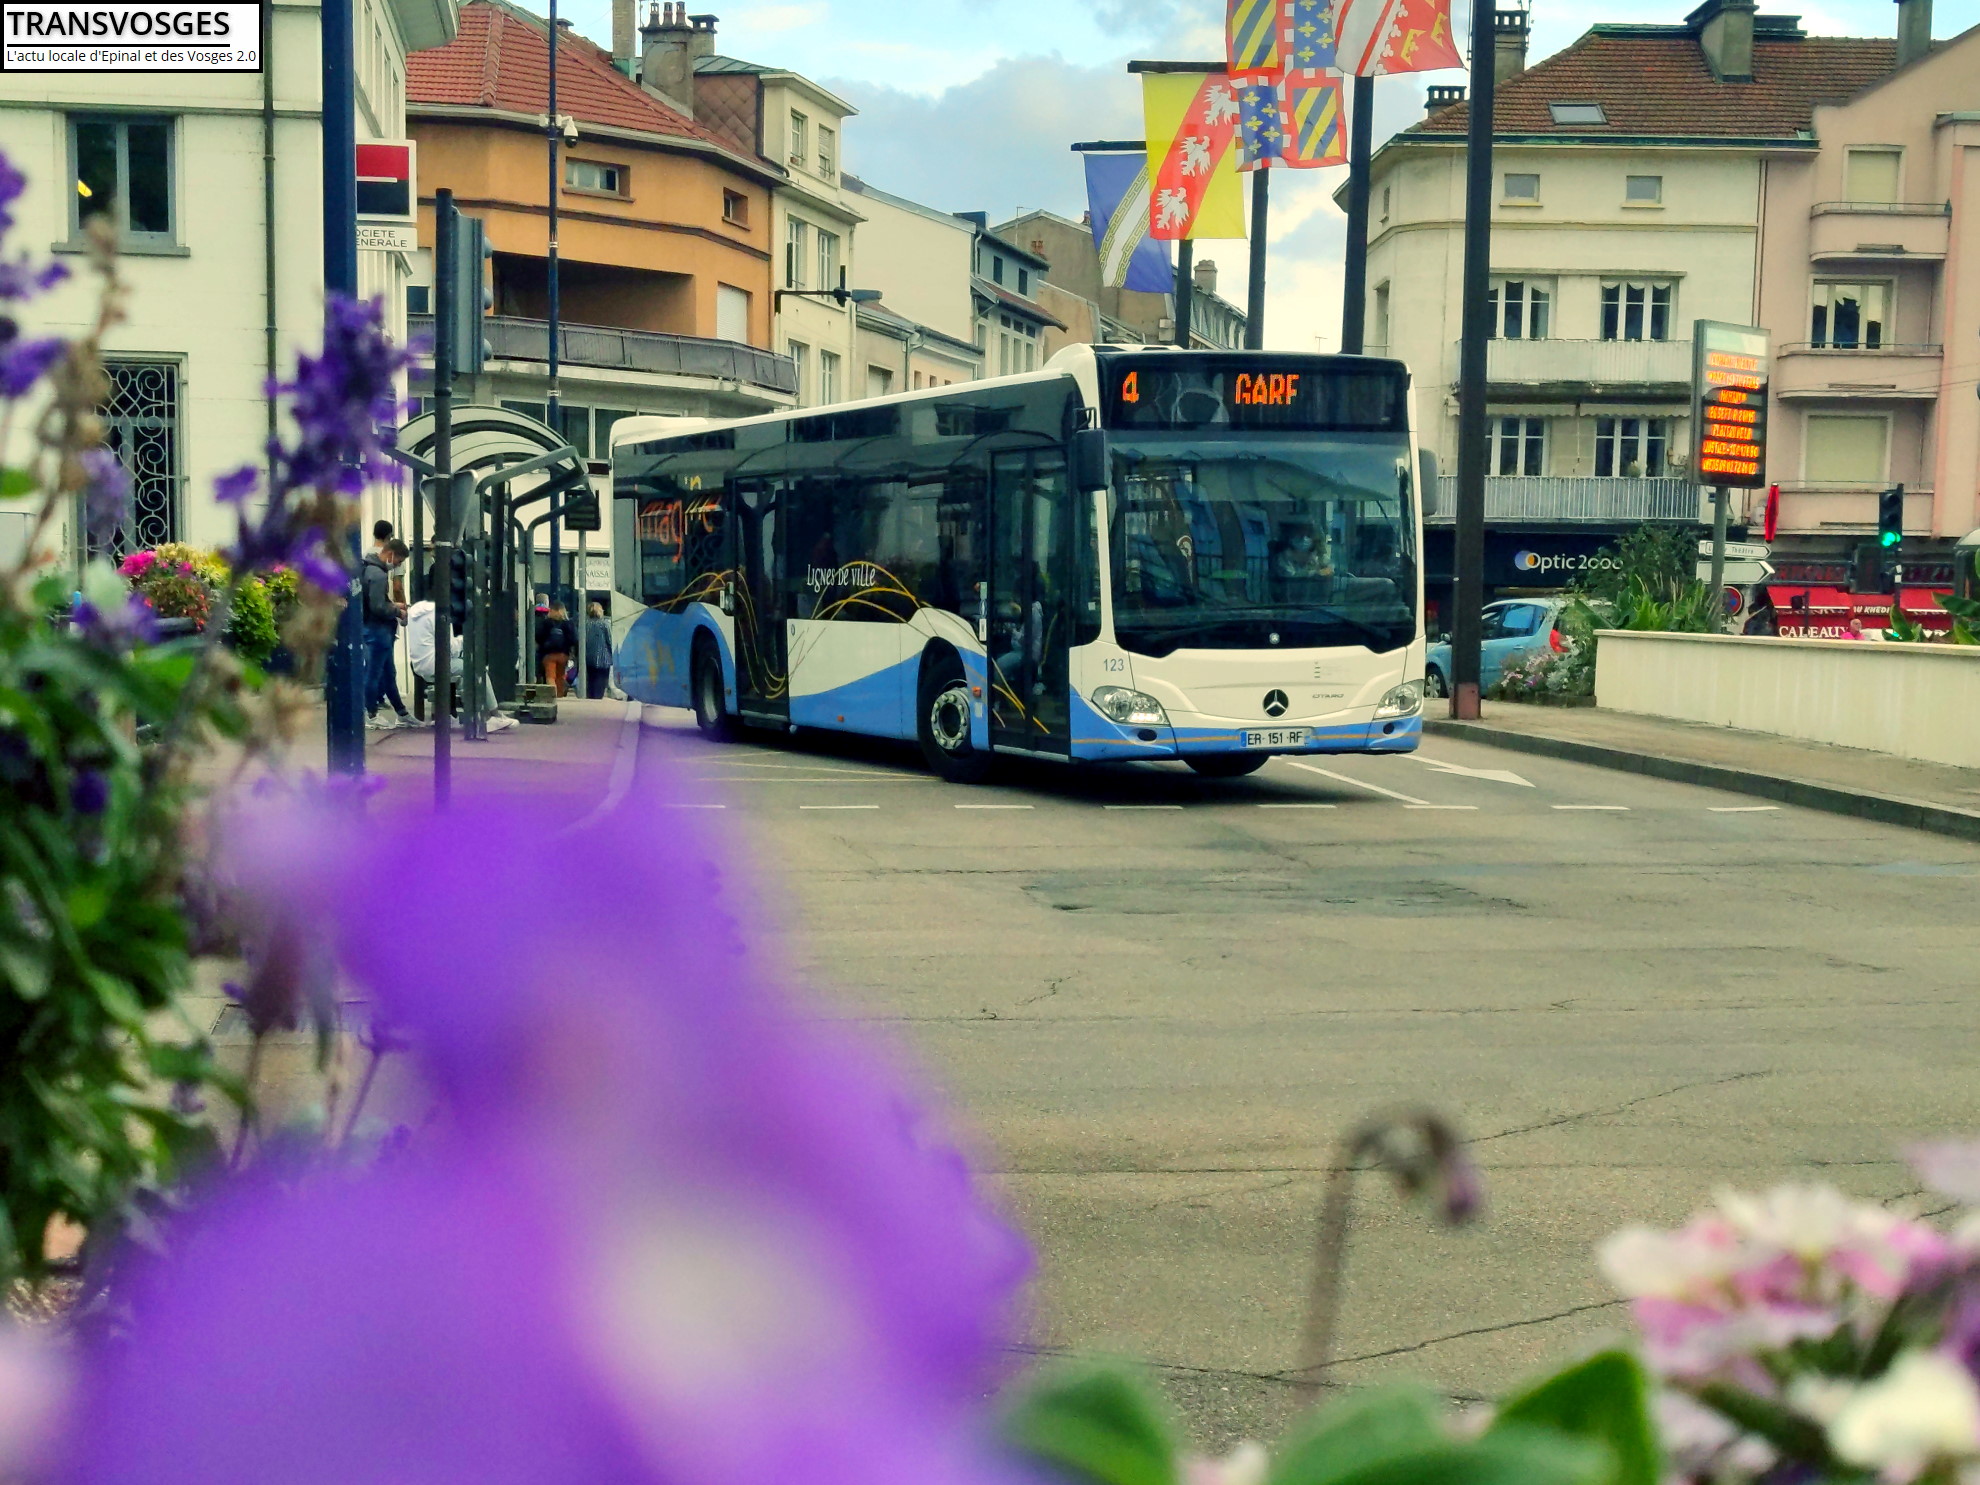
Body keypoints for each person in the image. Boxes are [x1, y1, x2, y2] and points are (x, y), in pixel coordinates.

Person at [405, 599, 517, 733]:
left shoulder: (416, 610)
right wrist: (463, 639)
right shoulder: (442, 615)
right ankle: (494, 714)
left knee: (461, 671)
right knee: (478, 668)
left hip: (418, 664)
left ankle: (451, 716)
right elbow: (450, 648)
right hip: (434, 664)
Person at [361, 537, 417, 729]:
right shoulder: (378, 575)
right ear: (391, 554)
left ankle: (401, 712)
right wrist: (397, 611)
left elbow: (376, 602)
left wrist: (393, 604)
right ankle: (370, 714)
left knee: (387, 673)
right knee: (374, 674)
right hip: (378, 631)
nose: (397, 565)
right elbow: (377, 606)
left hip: (375, 629)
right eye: (399, 561)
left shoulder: (369, 569)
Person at [536, 602, 575, 696]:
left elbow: (538, 637)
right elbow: (573, 639)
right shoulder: (567, 623)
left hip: (549, 654)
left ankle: (552, 696)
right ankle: (560, 696)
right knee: (560, 676)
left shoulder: (546, 622)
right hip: (563, 654)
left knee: (550, 676)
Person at [584, 602, 614, 699]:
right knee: (601, 681)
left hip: (588, 657)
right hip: (603, 658)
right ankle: (597, 698)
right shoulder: (604, 624)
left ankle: (591, 697)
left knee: (591, 679)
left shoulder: (586, 624)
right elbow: (610, 641)